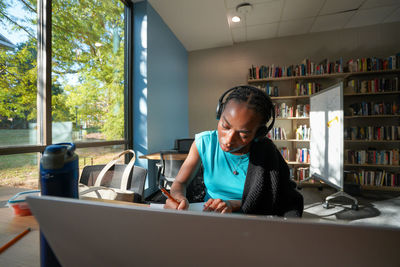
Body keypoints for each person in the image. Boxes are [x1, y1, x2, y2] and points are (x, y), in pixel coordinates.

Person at [165, 85, 303, 217]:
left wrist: (232, 205)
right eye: (225, 126)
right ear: (219, 114)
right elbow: (179, 183)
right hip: (210, 217)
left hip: (251, 220)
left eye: (243, 135)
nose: (229, 139)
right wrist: (178, 198)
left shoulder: (266, 152)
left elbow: (277, 199)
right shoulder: (204, 143)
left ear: (259, 134)